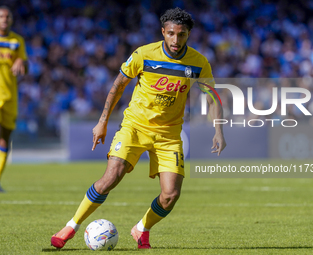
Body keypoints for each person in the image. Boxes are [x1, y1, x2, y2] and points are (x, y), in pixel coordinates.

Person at [51, 7, 226, 249]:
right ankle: (71, 225)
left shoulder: (198, 63)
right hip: (135, 126)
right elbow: (118, 85)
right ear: (163, 32)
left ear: (189, 34)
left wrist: (218, 130)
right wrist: (102, 121)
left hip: (169, 135)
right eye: (172, 33)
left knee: (170, 196)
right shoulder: (144, 54)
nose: (176, 40)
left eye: (182, 34)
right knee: (110, 178)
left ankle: (142, 228)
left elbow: (212, 96)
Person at [0, 6, 28, 192]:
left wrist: (20, 61)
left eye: (7, 16)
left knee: (4, 140)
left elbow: (24, 64)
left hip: (10, 96)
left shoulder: (17, 41)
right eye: (1, 16)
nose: (4, 18)